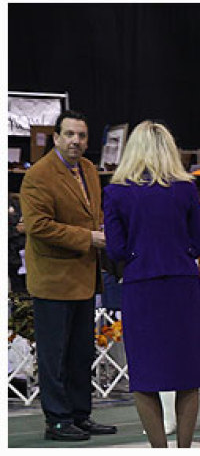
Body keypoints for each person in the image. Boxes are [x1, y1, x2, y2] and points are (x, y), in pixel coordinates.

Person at [102, 121, 200, 447]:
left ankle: (158, 449)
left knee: (145, 378)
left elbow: (116, 249)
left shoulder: (116, 192)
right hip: (182, 286)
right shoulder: (186, 189)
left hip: (141, 288)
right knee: (187, 377)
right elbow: (197, 244)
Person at [20, 110, 117, 441]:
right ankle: (57, 420)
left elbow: (92, 215)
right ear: (56, 138)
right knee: (54, 356)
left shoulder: (89, 169)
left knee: (80, 354)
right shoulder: (39, 175)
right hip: (53, 280)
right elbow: (38, 226)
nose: (76, 141)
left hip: (84, 278)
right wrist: (89, 238)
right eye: (70, 134)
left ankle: (79, 414)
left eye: (82, 135)